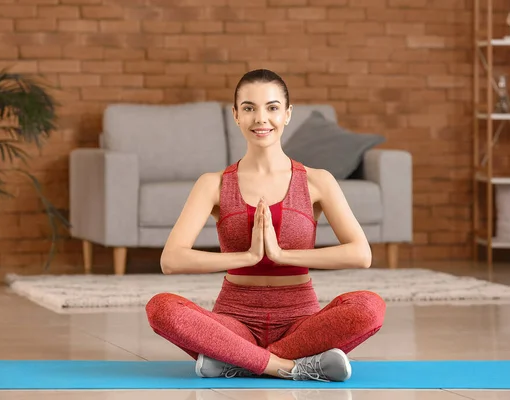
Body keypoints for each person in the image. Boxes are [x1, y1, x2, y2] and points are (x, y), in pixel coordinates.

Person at [145, 69, 386, 382]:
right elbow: (171, 260)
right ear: (236, 115)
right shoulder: (213, 184)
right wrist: (245, 258)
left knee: (370, 307)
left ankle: (237, 361)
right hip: (234, 322)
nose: (261, 119)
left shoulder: (317, 181)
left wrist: (282, 255)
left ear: (287, 115)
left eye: (272, 108)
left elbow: (360, 254)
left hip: (300, 322)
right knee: (161, 308)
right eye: (249, 108)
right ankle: (289, 367)